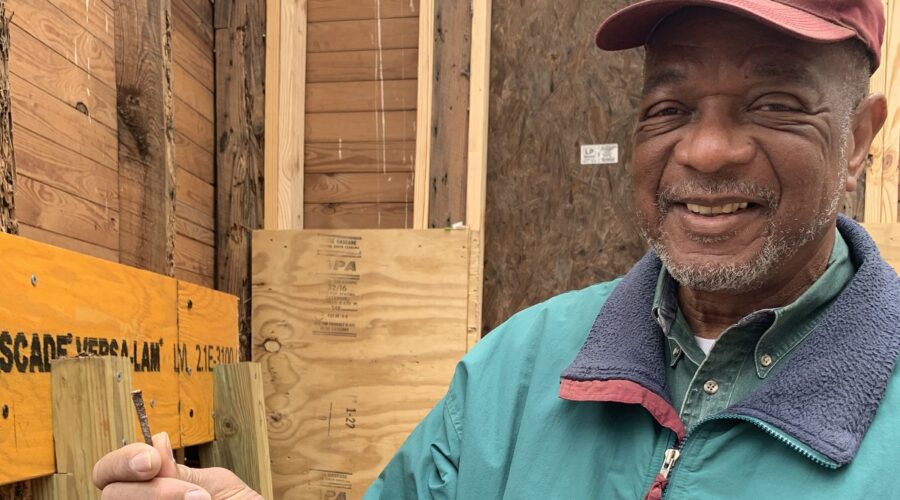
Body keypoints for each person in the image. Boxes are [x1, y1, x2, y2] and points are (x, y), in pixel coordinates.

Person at [94, 0, 900, 498]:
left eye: (771, 102)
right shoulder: (515, 371)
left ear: (860, 136)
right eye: (671, 105)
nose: (707, 149)